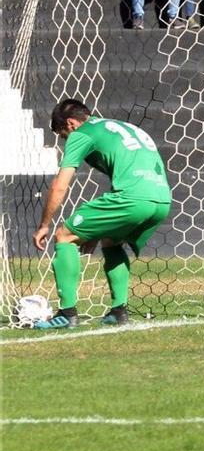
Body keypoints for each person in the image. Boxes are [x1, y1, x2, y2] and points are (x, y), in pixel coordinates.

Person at [31, 100, 173, 328]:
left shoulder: (82, 133)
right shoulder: (123, 127)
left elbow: (60, 184)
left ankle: (66, 314)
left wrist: (44, 224)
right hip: (161, 199)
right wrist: (97, 231)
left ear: (71, 123)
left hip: (132, 198)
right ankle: (118, 311)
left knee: (64, 236)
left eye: (64, 135)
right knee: (111, 241)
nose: (66, 141)